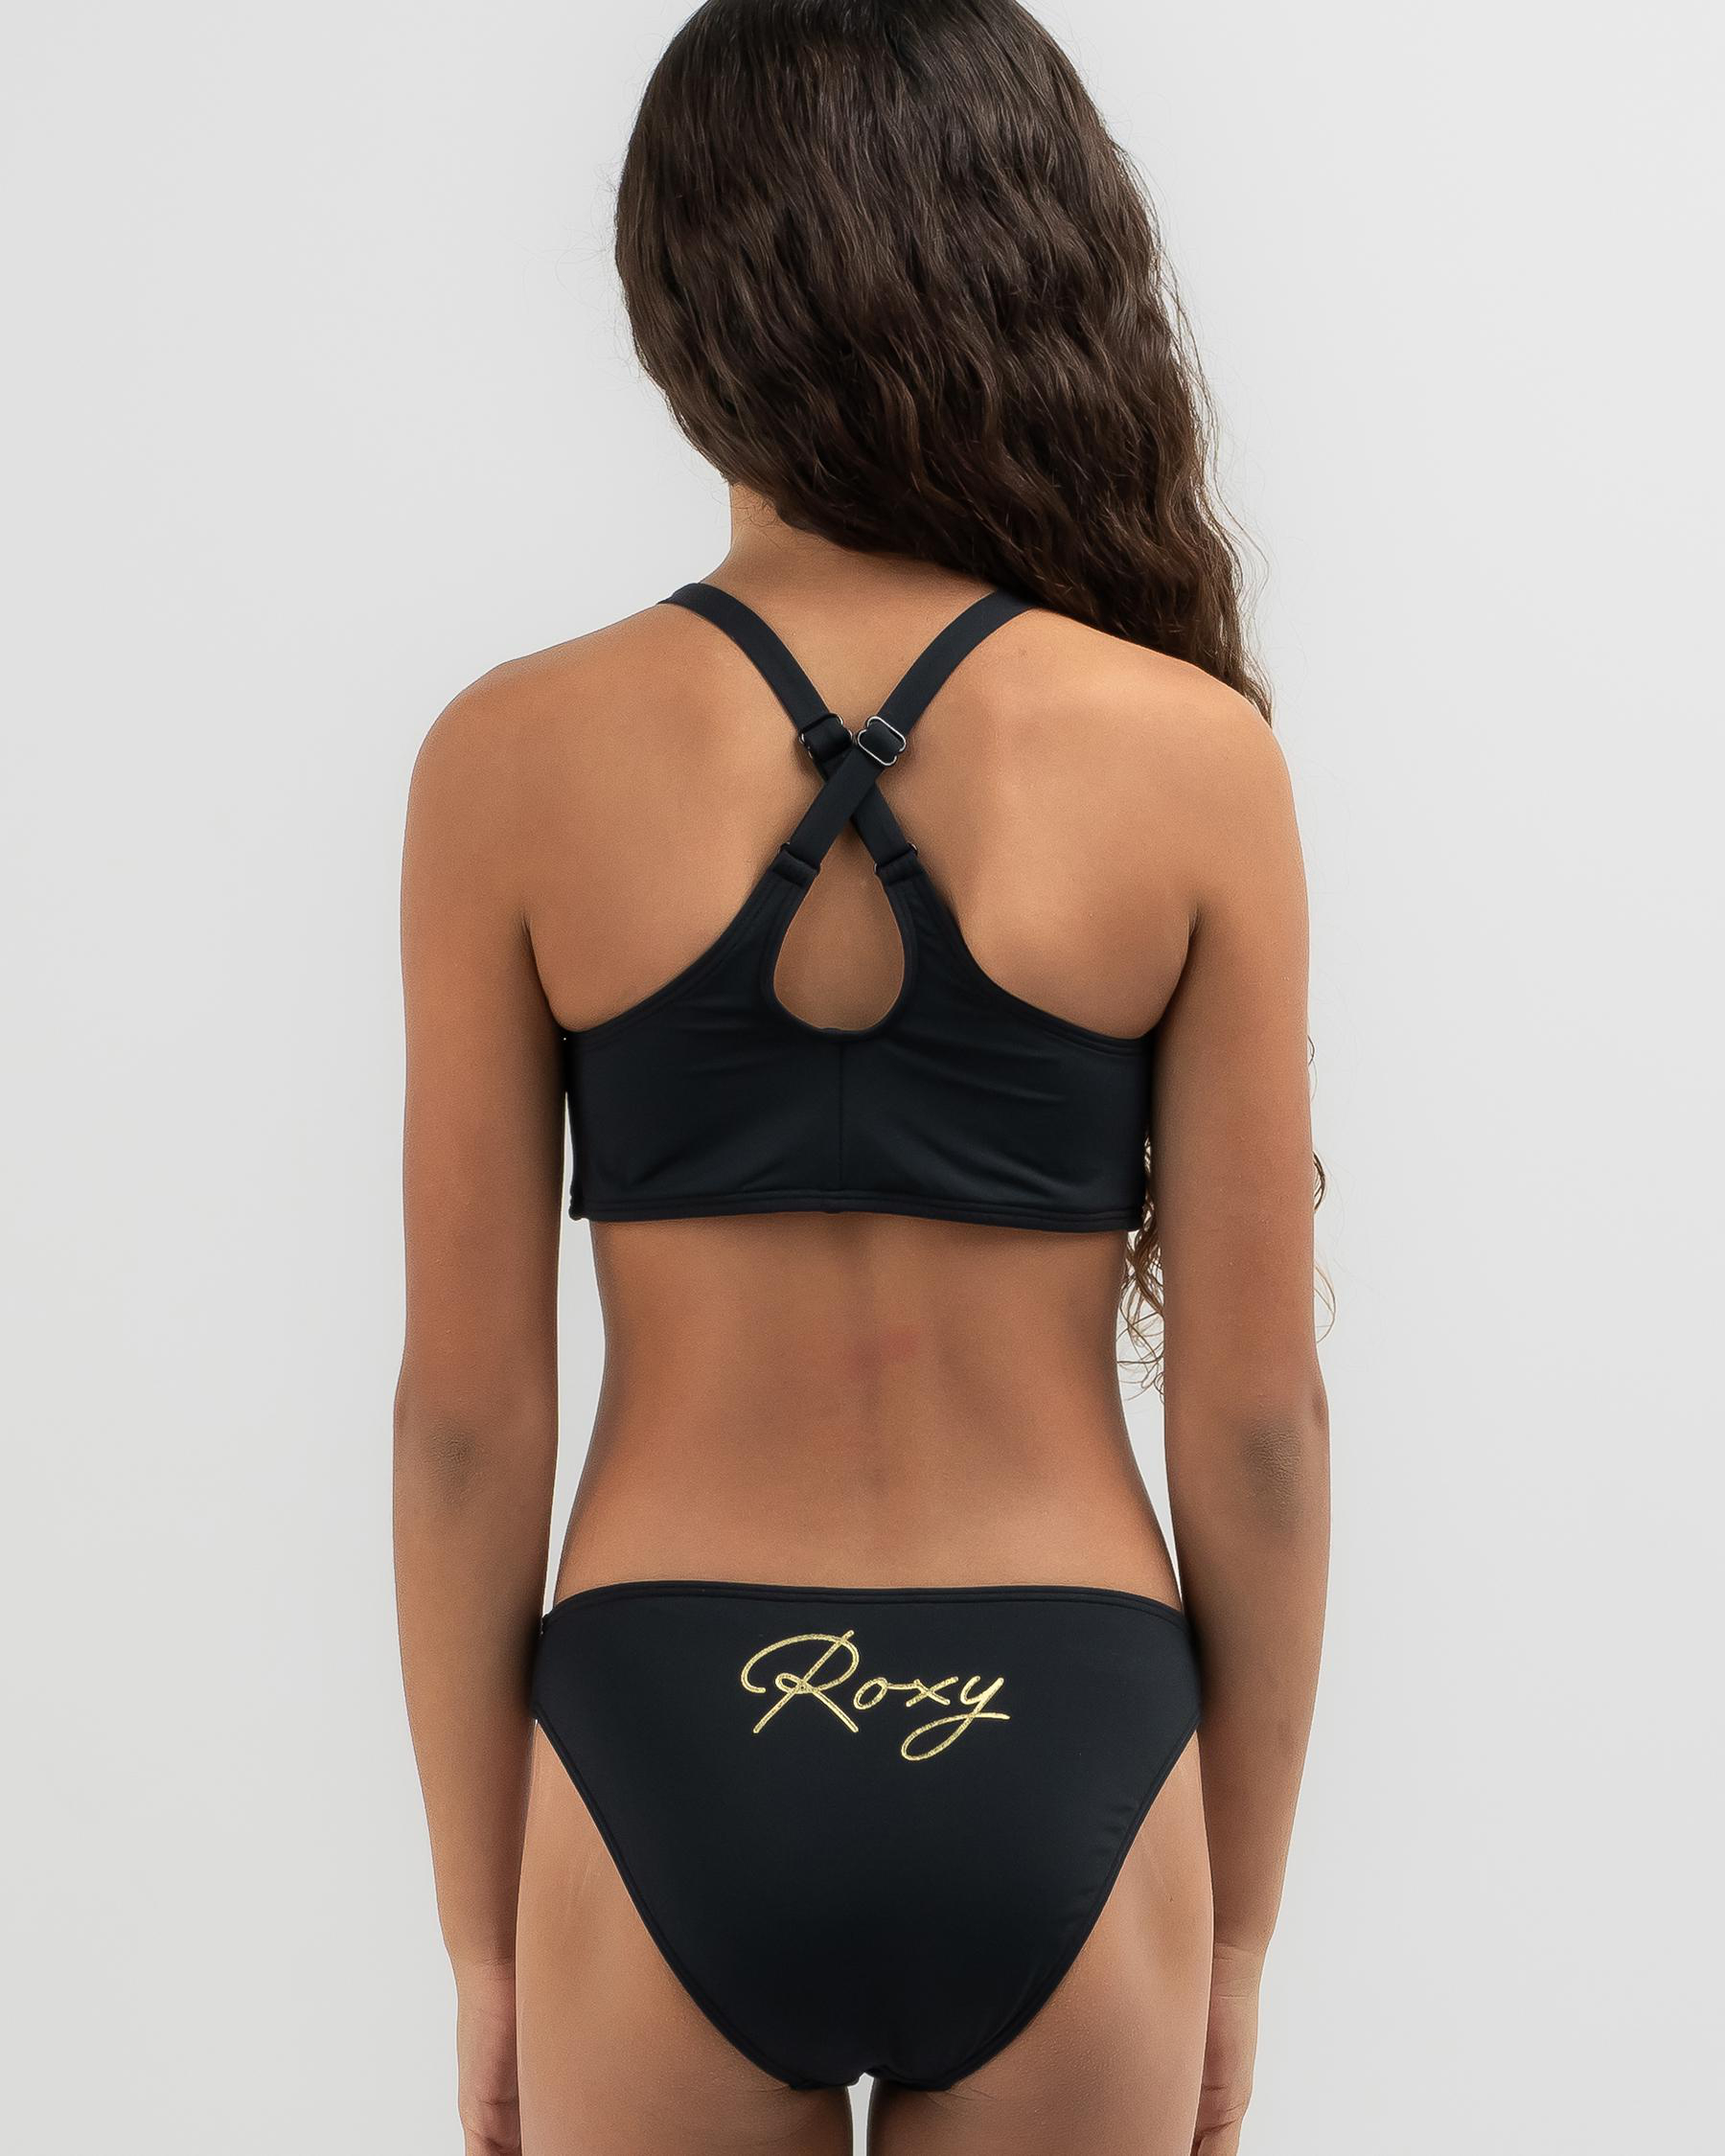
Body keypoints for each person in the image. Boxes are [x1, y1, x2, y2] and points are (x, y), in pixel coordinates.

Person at [395, 5, 1327, 2151]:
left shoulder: (509, 759)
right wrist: (1241, 1931)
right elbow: (1258, 1422)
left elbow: (465, 1418)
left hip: (662, 1730)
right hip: (1066, 1727)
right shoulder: (1193, 764)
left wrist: (483, 1941)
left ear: (679, 304)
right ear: (1031, 262)